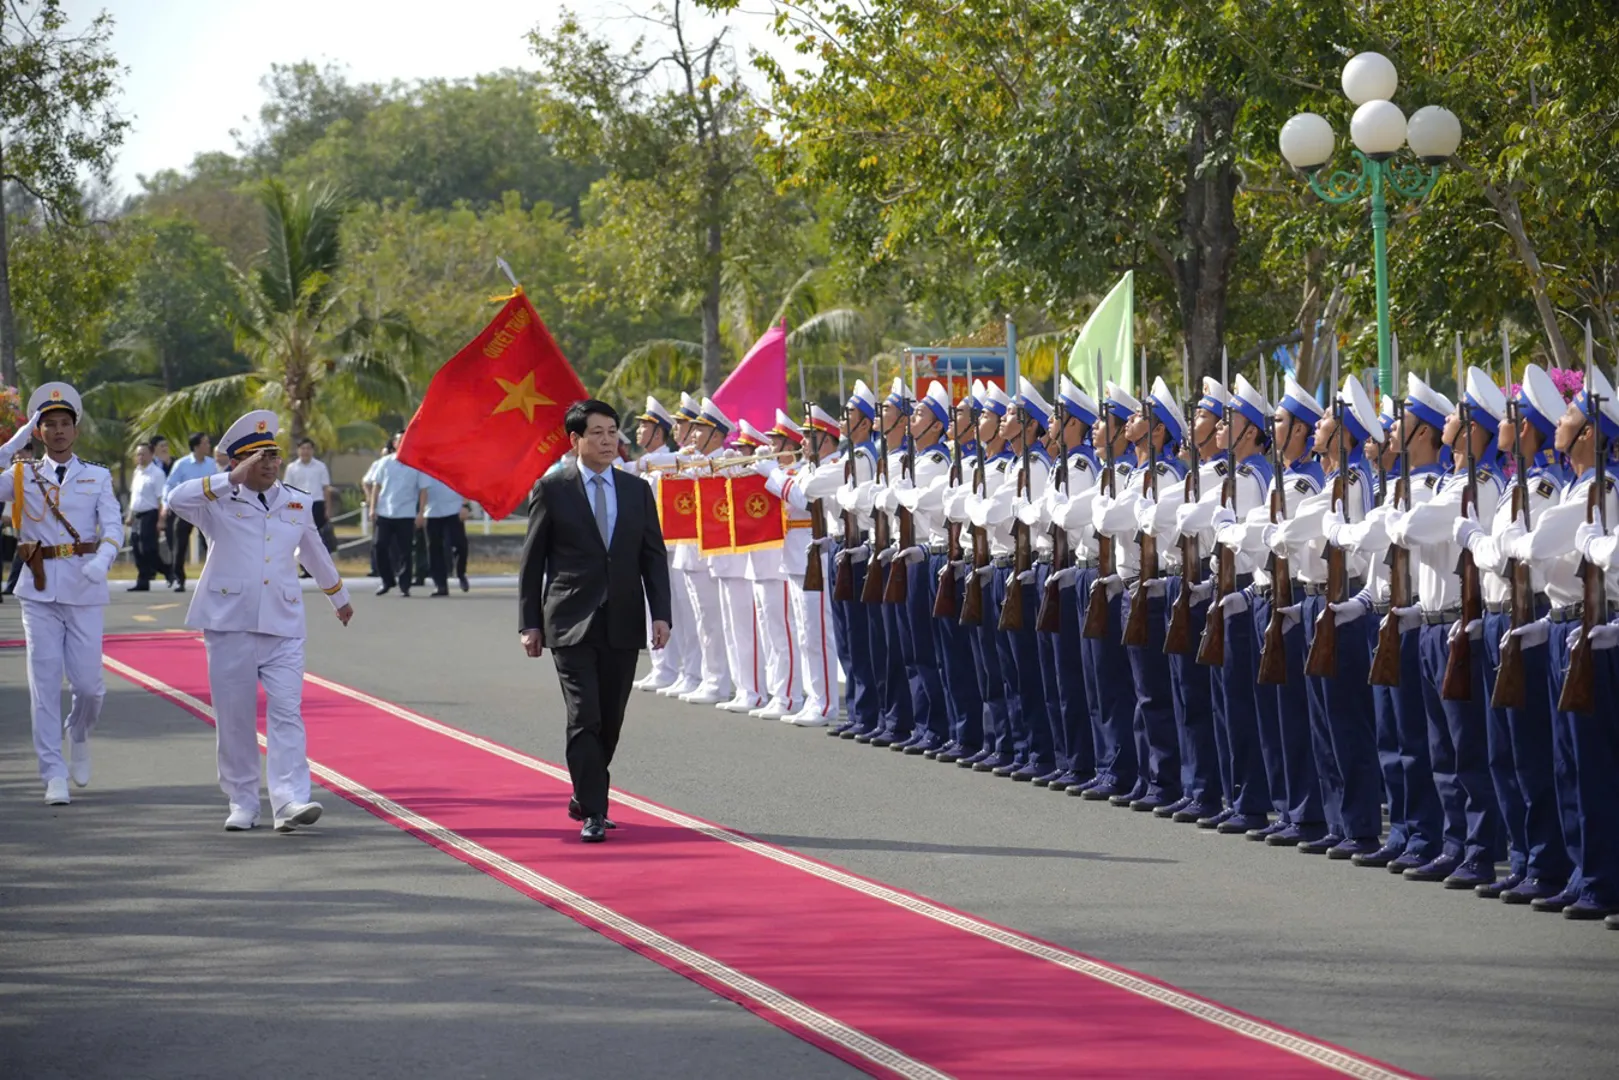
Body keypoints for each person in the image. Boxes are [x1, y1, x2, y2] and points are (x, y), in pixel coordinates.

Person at [165, 409, 353, 831]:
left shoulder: (296, 501)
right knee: (234, 717)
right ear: (239, 462)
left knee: (287, 711)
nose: (270, 464)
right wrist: (227, 479)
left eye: (274, 455)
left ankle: (289, 801)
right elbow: (175, 500)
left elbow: (312, 550)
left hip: (283, 622)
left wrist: (337, 595)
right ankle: (243, 800)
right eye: (259, 457)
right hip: (230, 621)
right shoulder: (216, 501)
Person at [519, 399, 672, 843]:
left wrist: (660, 613)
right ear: (576, 440)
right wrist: (529, 622)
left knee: (610, 718)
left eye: (612, 432)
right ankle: (595, 810)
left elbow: (652, 556)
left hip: (623, 619)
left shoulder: (636, 490)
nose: (608, 441)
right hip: (569, 621)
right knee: (584, 714)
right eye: (598, 433)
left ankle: (585, 792)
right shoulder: (552, 489)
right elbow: (533, 563)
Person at [0, 383, 123, 805]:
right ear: (38, 431)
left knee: (90, 687)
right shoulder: (20, 474)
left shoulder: (98, 475)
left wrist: (102, 562)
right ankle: (53, 772)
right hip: (37, 588)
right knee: (45, 681)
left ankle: (80, 731)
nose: (57, 431)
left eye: (64, 424)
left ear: (76, 429)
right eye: (47, 424)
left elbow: (114, 529)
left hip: (85, 587)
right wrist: (10, 445)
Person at [367, 433, 428, 597]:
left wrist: (421, 512)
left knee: (405, 551)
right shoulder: (384, 463)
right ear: (394, 444)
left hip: (406, 514)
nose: (402, 444)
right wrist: (372, 508)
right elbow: (376, 486)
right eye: (399, 441)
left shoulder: (416, 464)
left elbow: (423, 490)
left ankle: (404, 584)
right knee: (380, 546)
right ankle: (387, 580)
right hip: (385, 512)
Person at [161, 432, 219, 592]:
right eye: (205, 443)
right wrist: (166, 505)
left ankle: (214, 579)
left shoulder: (211, 464)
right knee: (179, 546)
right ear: (196, 446)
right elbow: (169, 484)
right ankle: (179, 579)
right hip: (186, 509)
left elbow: (217, 484)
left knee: (210, 545)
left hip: (206, 509)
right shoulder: (182, 464)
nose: (208, 446)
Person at [126, 440, 168, 591]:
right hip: (137, 515)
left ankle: (167, 570)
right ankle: (142, 581)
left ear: (151, 455)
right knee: (136, 548)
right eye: (138, 454)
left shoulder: (157, 474)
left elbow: (161, 499)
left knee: (148, 549)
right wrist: (130, 515)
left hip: (150, 515)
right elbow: (133, 497)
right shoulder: (137, 472)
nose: (140, 457)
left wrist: (161, 520)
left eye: (143, 454)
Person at [421, 474, 471, 595]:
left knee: (460, 544)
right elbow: (422, 490)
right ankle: (440, 585)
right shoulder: (423, 467)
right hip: (432, 512)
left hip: (454, 510)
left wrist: (465, 505)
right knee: (434, 549)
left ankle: (460, 573)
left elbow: (465, 484)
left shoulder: (453, 461)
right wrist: (421, 512)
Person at [284, 438, 335, 533]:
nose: (305, 451)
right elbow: (287, 490)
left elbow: (326, 488)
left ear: (312, 450)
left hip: (317, 504)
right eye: (303, 448)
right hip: (298, 505)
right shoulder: (291, 468)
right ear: (298, 450)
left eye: (308, 448)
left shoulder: (321, 466)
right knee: (299, 533)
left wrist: (328, 509)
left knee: (317, 534)